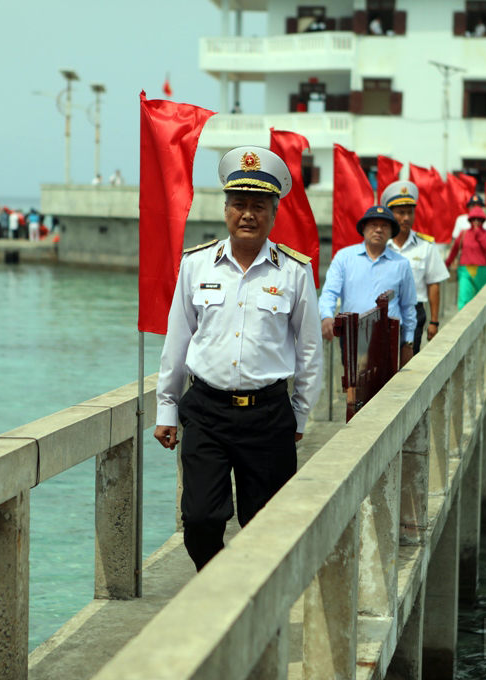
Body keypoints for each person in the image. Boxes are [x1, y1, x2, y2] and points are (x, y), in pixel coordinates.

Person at [154, 146, 323, 572]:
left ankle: (251, 602)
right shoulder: (196, 266)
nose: (248, 214)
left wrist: (300, 415)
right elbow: (178, 340)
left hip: (268, 415)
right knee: (200, 519)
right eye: (240, 204)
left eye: (259, 206)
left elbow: (308, 350)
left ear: (273, 212)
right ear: (226, 209)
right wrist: (166, 408)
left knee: (266, 525)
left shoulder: (294, 272)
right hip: (206, 411)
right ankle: (219, 586)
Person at [319, 205, 417, 368]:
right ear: (363, 228)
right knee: (354, 387)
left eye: (384, 226)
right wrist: (326, 316)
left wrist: (408, 342)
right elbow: (329, 291)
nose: (378, 230)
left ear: (391, 232)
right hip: (353, 333)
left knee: (386, 388)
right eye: (373, 225)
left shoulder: (401, 264)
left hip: (388, 335)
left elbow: (408, 306)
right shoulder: (344, 257)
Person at [381, 181, 449, 351]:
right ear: (390, 214)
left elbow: (433, 283)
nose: (406, 218)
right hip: (383, 311)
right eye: (401, 213)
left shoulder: (426, 246)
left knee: (409, 360)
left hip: (414, 311)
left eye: (410, 213)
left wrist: (434, 321)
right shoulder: (380, 246)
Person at [445, 206, 486, 309]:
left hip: (481, 270)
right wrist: (447, 264)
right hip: (464, 269)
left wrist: (478, 234)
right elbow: (454, 249)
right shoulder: (464, 233)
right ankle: (462, 322)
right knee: (464, 297)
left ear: (483, 220)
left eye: (479, 219)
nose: (476, 221)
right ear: (470, 220)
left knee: (480, 299)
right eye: (474, 219)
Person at [451, 194, 486, 273]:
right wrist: (453, 260)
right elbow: (455, 242)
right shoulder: (461, 220)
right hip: (464, 259)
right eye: (473, 205)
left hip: (482, 260)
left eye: (478, 206)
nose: (475, 208)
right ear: (469, 207)